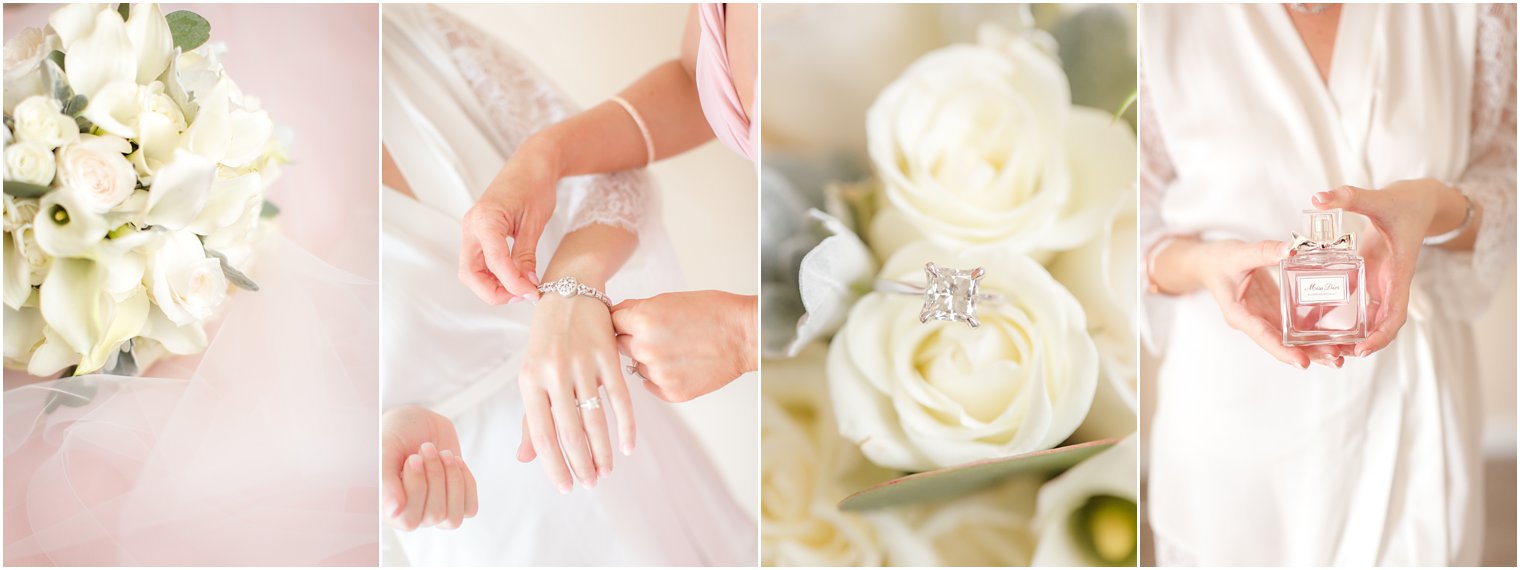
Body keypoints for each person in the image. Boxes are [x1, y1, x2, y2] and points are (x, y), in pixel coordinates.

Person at [378, 4, 755, 565]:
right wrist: (545, 154)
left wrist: (742, 334)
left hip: (632, 452)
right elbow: (692, 75)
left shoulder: (405, 36)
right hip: (485, 520)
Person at [1140, 3, 1515, 565]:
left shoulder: (1475, 12)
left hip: (1411, 418)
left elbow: (1505, 184)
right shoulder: (1157, 18)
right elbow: (1129, 228)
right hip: (1234, 425)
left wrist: (1435, 207)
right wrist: (1201, 264)